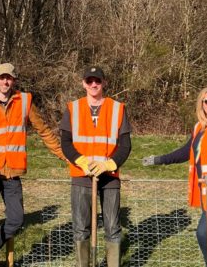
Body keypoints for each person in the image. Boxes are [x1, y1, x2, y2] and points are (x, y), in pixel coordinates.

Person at [0, 62, 67, 266]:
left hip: (11, 172)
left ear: (14, 80)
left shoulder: (25, 101)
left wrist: (64, 155)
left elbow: (44, 130)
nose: (5, 81)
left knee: (17, 219)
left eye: (9, 77)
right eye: (2, 77)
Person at [143, 87, 207, 267]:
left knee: (204, 233)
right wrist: (159, 159)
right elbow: (186, 152)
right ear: (202, 104)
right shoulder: (201, 128)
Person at [60, 66, 131, 267]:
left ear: (104, 83)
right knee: (81, 227)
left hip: (109, 177)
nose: (93, 84)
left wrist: (110, 164)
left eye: (97, 81)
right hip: (81, 175)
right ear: (83, 83)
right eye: (89, 81)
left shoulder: (118, 108)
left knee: (112, 227)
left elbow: (126, 145)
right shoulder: (73, 108)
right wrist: (81, 161)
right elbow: (66, 142)